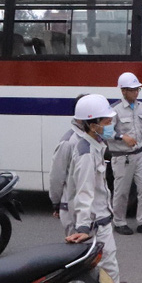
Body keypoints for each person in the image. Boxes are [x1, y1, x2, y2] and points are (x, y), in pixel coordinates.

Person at [64, 94, 142, 283]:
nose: (109, 125)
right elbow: (84, 192)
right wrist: (83, 226)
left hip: (96, 221)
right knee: (110, 275)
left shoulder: (91, 143)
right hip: (95, 226)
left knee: (88, 273)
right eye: (105, 121)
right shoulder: (85, 152)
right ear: (91, 123)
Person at [108, 72, 142, 235]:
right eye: (132, 90)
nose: (136, 93)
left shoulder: (141, 107)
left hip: (140, 154)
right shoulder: (114, 109)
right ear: (123, 91)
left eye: (137, 89)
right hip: (122, 156)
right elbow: (104, 132)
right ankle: (119, 222)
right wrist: (121, 136)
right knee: (122, 191)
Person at [48, 95, 86, 235]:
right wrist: (56, 203)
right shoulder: (69, 142)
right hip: (73, 210)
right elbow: (57, 176)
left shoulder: (93, 140)